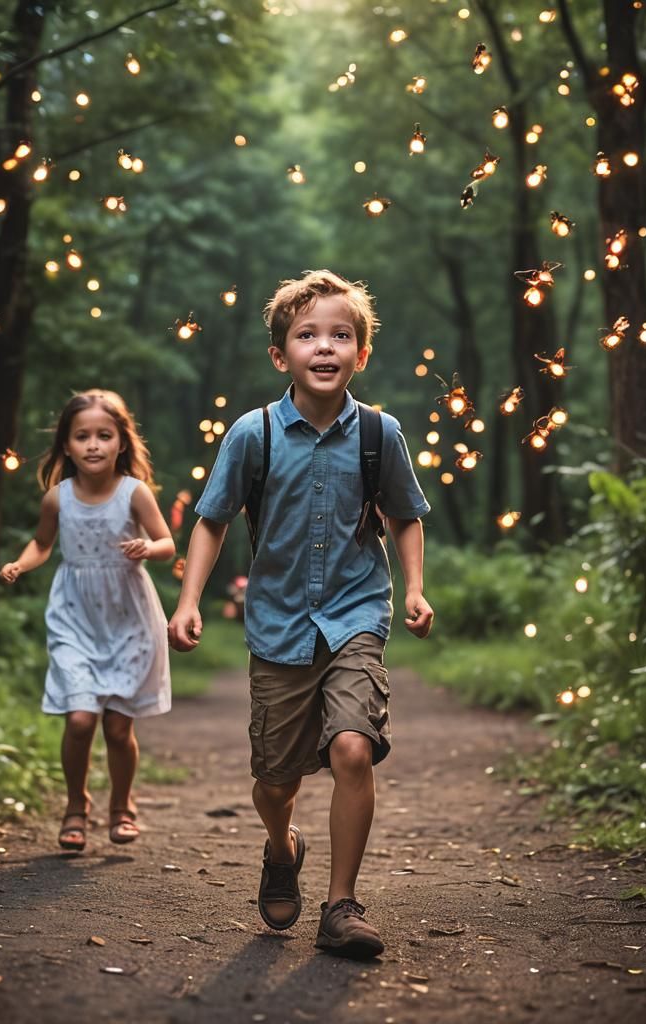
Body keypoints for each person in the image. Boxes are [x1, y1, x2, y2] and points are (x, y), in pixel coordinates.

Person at [168, 270, 433, 959]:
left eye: (340, 335)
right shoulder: (252, 434)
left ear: (361, 353)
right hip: (279, 623)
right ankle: (282, 845)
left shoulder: (380, 433)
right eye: (306, 335)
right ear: (280, 354)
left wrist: (411, 589)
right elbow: (211, 520)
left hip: (355, 613)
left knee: (353, 747)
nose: (324, 346)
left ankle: (341, 904)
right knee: (275, 780)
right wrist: (189, 599)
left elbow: (404, 517)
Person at [0, 389, 174, 852]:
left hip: (129, 616)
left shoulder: (134, 493)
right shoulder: (58, 499)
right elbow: (41, 544)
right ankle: (75, 805)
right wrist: (21, 563)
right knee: (79, 720)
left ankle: (122, 806)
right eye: (82, 436)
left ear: (122, 442)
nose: (93, 445)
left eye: (104, 435)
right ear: (66, 445)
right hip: (75, 616)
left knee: (118, 727)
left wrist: (148, 548)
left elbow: (167, 543)